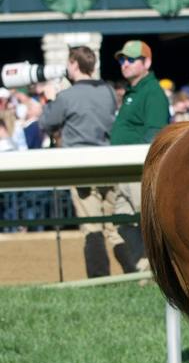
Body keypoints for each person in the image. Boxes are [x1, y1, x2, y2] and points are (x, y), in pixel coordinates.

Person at [38, 46, 120, 277]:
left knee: (92, 228)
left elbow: (46, 123)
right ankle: (135, 274)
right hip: (110, 165)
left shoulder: (67, 96)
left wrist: (51, 99)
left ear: (74, 64)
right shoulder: (108, 91)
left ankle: (99, 280)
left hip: (82, 168)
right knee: (115, 227)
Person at [109, 40, 170, 272]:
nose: (125, 64)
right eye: (123, 59)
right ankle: (140, 274)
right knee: (121, 223)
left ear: (147, 62)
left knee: (145, 226)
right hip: (123, 171)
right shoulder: (132, 92)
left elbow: (154, 135)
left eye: (131, 59)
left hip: (139, 171)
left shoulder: (153, 92)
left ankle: (152, 275)